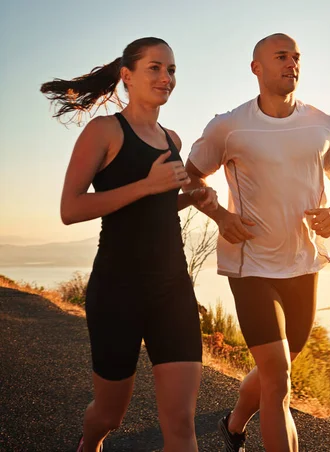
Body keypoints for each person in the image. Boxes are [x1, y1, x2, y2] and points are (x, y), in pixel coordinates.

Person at [40, 37, 218, 452]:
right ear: (127, 76)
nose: (166, 77)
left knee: (180, 422)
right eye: (155, 68)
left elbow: (156, 207)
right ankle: (90, 443)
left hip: (172, 288)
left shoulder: (172, 137)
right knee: (110, 414)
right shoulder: (104, 131)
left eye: (171, 70)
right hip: (118, 289)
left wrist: (190, 198)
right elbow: (70, 208)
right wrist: (146, 185)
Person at [185, 33, 330, 452]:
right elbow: (191, 176)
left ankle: (234, 423)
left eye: (296, 57)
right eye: (281, 56)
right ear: (257, 68)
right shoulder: (229, 126)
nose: (292, 64)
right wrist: (220, 216)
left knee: (274, 371)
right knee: (279, 380)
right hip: (250, 266)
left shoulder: (323, 124)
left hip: (303, 264)